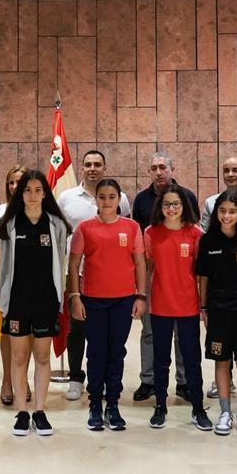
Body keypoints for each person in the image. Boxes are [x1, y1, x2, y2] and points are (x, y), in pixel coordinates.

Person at [0, 169, 70, 436]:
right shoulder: (9, 224)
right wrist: (1, 299)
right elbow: (3, 266)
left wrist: (62, 298)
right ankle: (22, 412)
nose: (33, 195)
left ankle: (39, 411)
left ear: (45, 193)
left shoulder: (56, 225)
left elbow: (61, 264)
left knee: (41, 356)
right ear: (20, 193)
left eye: (38, 190)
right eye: (28, 190)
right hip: (17, 301)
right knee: (18, 356)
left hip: (46, 301)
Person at [68, 178, 148, 432]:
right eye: (102, 197)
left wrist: (141, 296)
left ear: (119, 199)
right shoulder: (85, 228)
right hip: (93, 300)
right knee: (96, 352)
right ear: (96, 200)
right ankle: (94, 404)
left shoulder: (132, 227)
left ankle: (112, 404)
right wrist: (75, 296)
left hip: (123, 300)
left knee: (116, 352)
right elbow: (73, 265)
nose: (106, 201)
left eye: (111, 197)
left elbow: (139, 264)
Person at [57, 150, 131, 402]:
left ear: (105, 167)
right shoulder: (66, 198)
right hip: (76, 274)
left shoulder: (121, 198)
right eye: (88, 164)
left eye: (97, 164)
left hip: (109, 279)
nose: (92, 168)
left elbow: (127, 234)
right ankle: (77, 378)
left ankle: (106, 383)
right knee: (77, 328)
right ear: (82, 167)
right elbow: (59, 233)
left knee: (107, 337)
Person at [131, 152, 199, 403]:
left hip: (182, 282)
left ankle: (183, 383)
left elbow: (193, 235)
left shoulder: (187, 196)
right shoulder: (140, 200)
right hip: (152, 279)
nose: (158, 172)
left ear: (172, 168)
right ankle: (148, 380)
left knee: (183, 336)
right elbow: (139, 245)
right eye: (153, 168)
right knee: (149, 333)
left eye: (162, 167)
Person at [143, 183, 210, 432]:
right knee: (161, 360)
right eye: (166, 204)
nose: (171, 208)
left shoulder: (195, 234)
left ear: (184, 207)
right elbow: (149, 266)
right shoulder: (150, 233)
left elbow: (201, 274)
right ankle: (160, 406)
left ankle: (198, 409)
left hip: (188, 306)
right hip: (160, 305)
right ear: (160, 207)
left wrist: (203, 305)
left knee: (192, 360)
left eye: (176, 204)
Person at [196, 190, 237, 437]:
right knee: (221, 362)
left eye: (232, 211)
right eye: (222, 211)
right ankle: (224, 412)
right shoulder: (208, 241)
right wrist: (203, 308)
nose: (226, 215)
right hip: (218, 311)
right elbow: (203, 278)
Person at [0, 164, 29, 406]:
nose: (15, 187)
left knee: (29, 336)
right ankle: (7, 380)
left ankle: (23, 380)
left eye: (20, 182)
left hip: (33, 282)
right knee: (8, 333)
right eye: (11, 183)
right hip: (9, 280)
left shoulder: (39, 211)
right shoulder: (2, 211)